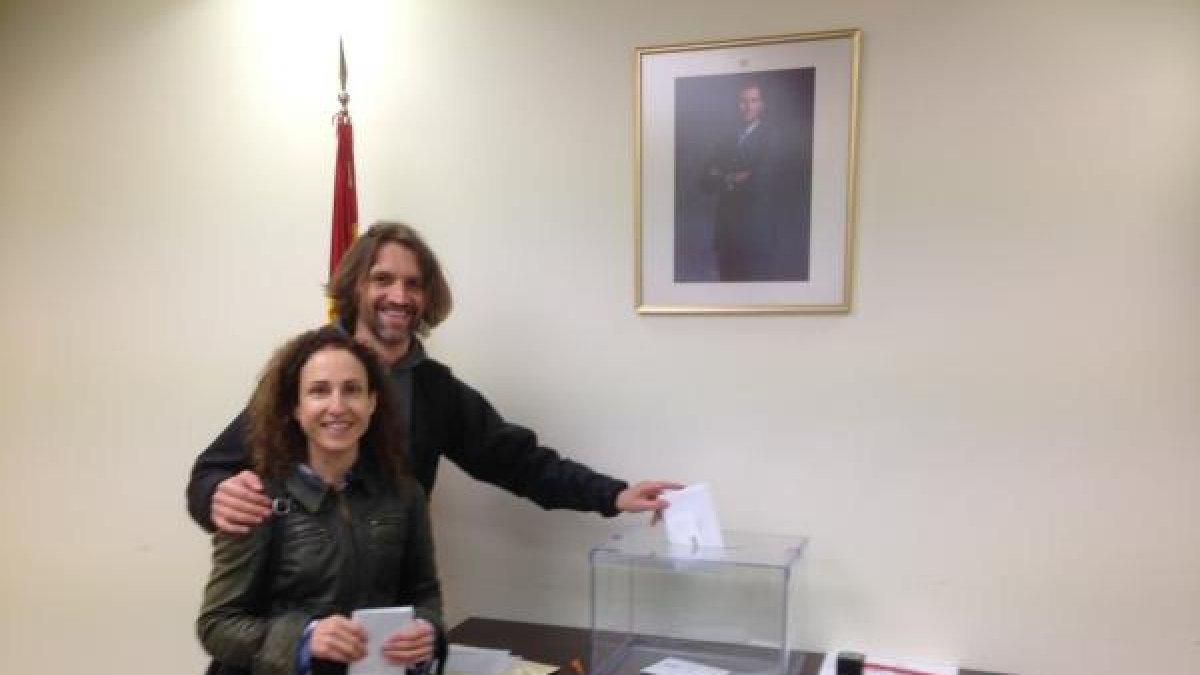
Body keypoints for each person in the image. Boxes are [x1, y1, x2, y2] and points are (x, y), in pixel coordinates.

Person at [188, 220, 680, 536]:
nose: (399, 296)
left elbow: (520, 462)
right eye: (383, 280)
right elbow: (211, 471)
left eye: (413, 284)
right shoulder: (303, 373)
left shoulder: (436, 391)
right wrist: (216, 494)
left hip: (386, 613)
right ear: (354, 287)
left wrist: (615, 494)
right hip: (288, 619)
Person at [197, 327, 442, 675]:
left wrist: (428, 632)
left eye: (353, 390)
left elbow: (424, 593)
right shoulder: (254, 497)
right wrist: (304, 638)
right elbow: (216, 626)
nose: (338, 407)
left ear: (372, 402)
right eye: (319, 391)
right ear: (295, 408)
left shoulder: (405, 495)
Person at [699, 79, 777, 281]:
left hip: (753, 235)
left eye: (754, 100)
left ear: (762, 104)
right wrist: (733, 178)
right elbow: (704, 181)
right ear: (737, 104)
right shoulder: (725, 138)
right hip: (725, 233)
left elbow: (760, 185)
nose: (748, 107)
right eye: (743, 101)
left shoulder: (771, 138)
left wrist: (722, 176)